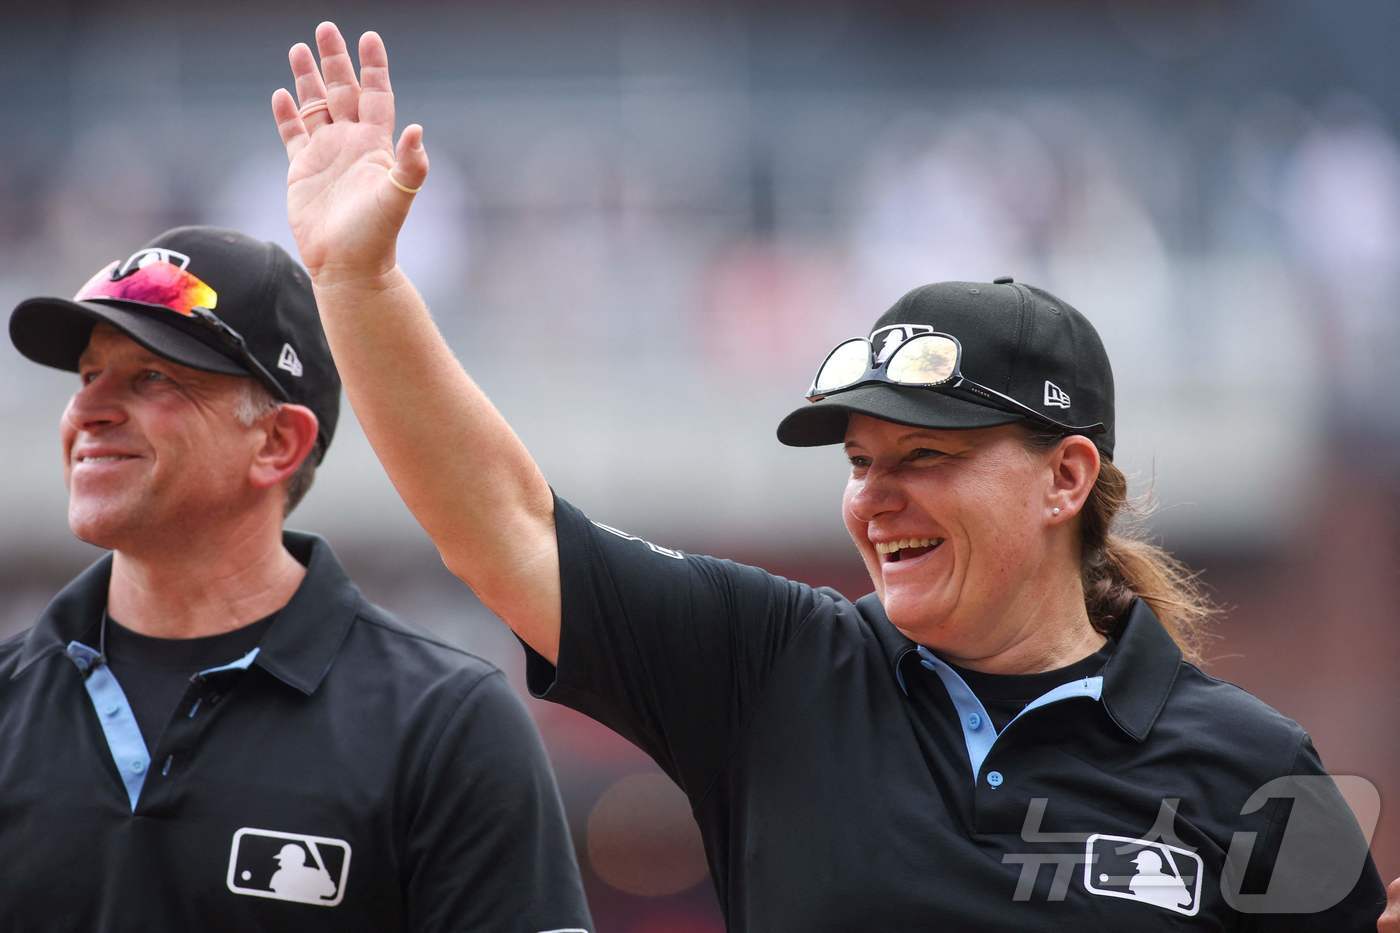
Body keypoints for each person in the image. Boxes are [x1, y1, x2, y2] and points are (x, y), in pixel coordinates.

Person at [268, 22, 1394, 930]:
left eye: (924, 457)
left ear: (1064, 478)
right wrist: (358, 284)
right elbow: (502, 525)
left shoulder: (1249, 766)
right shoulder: (776, 668)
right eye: (858, 463)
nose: (871, 496)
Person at [1, 225, 593, 932]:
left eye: (151, 375)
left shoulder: (444, 722)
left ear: (278, 442)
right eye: (90, 374)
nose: (86, 411)